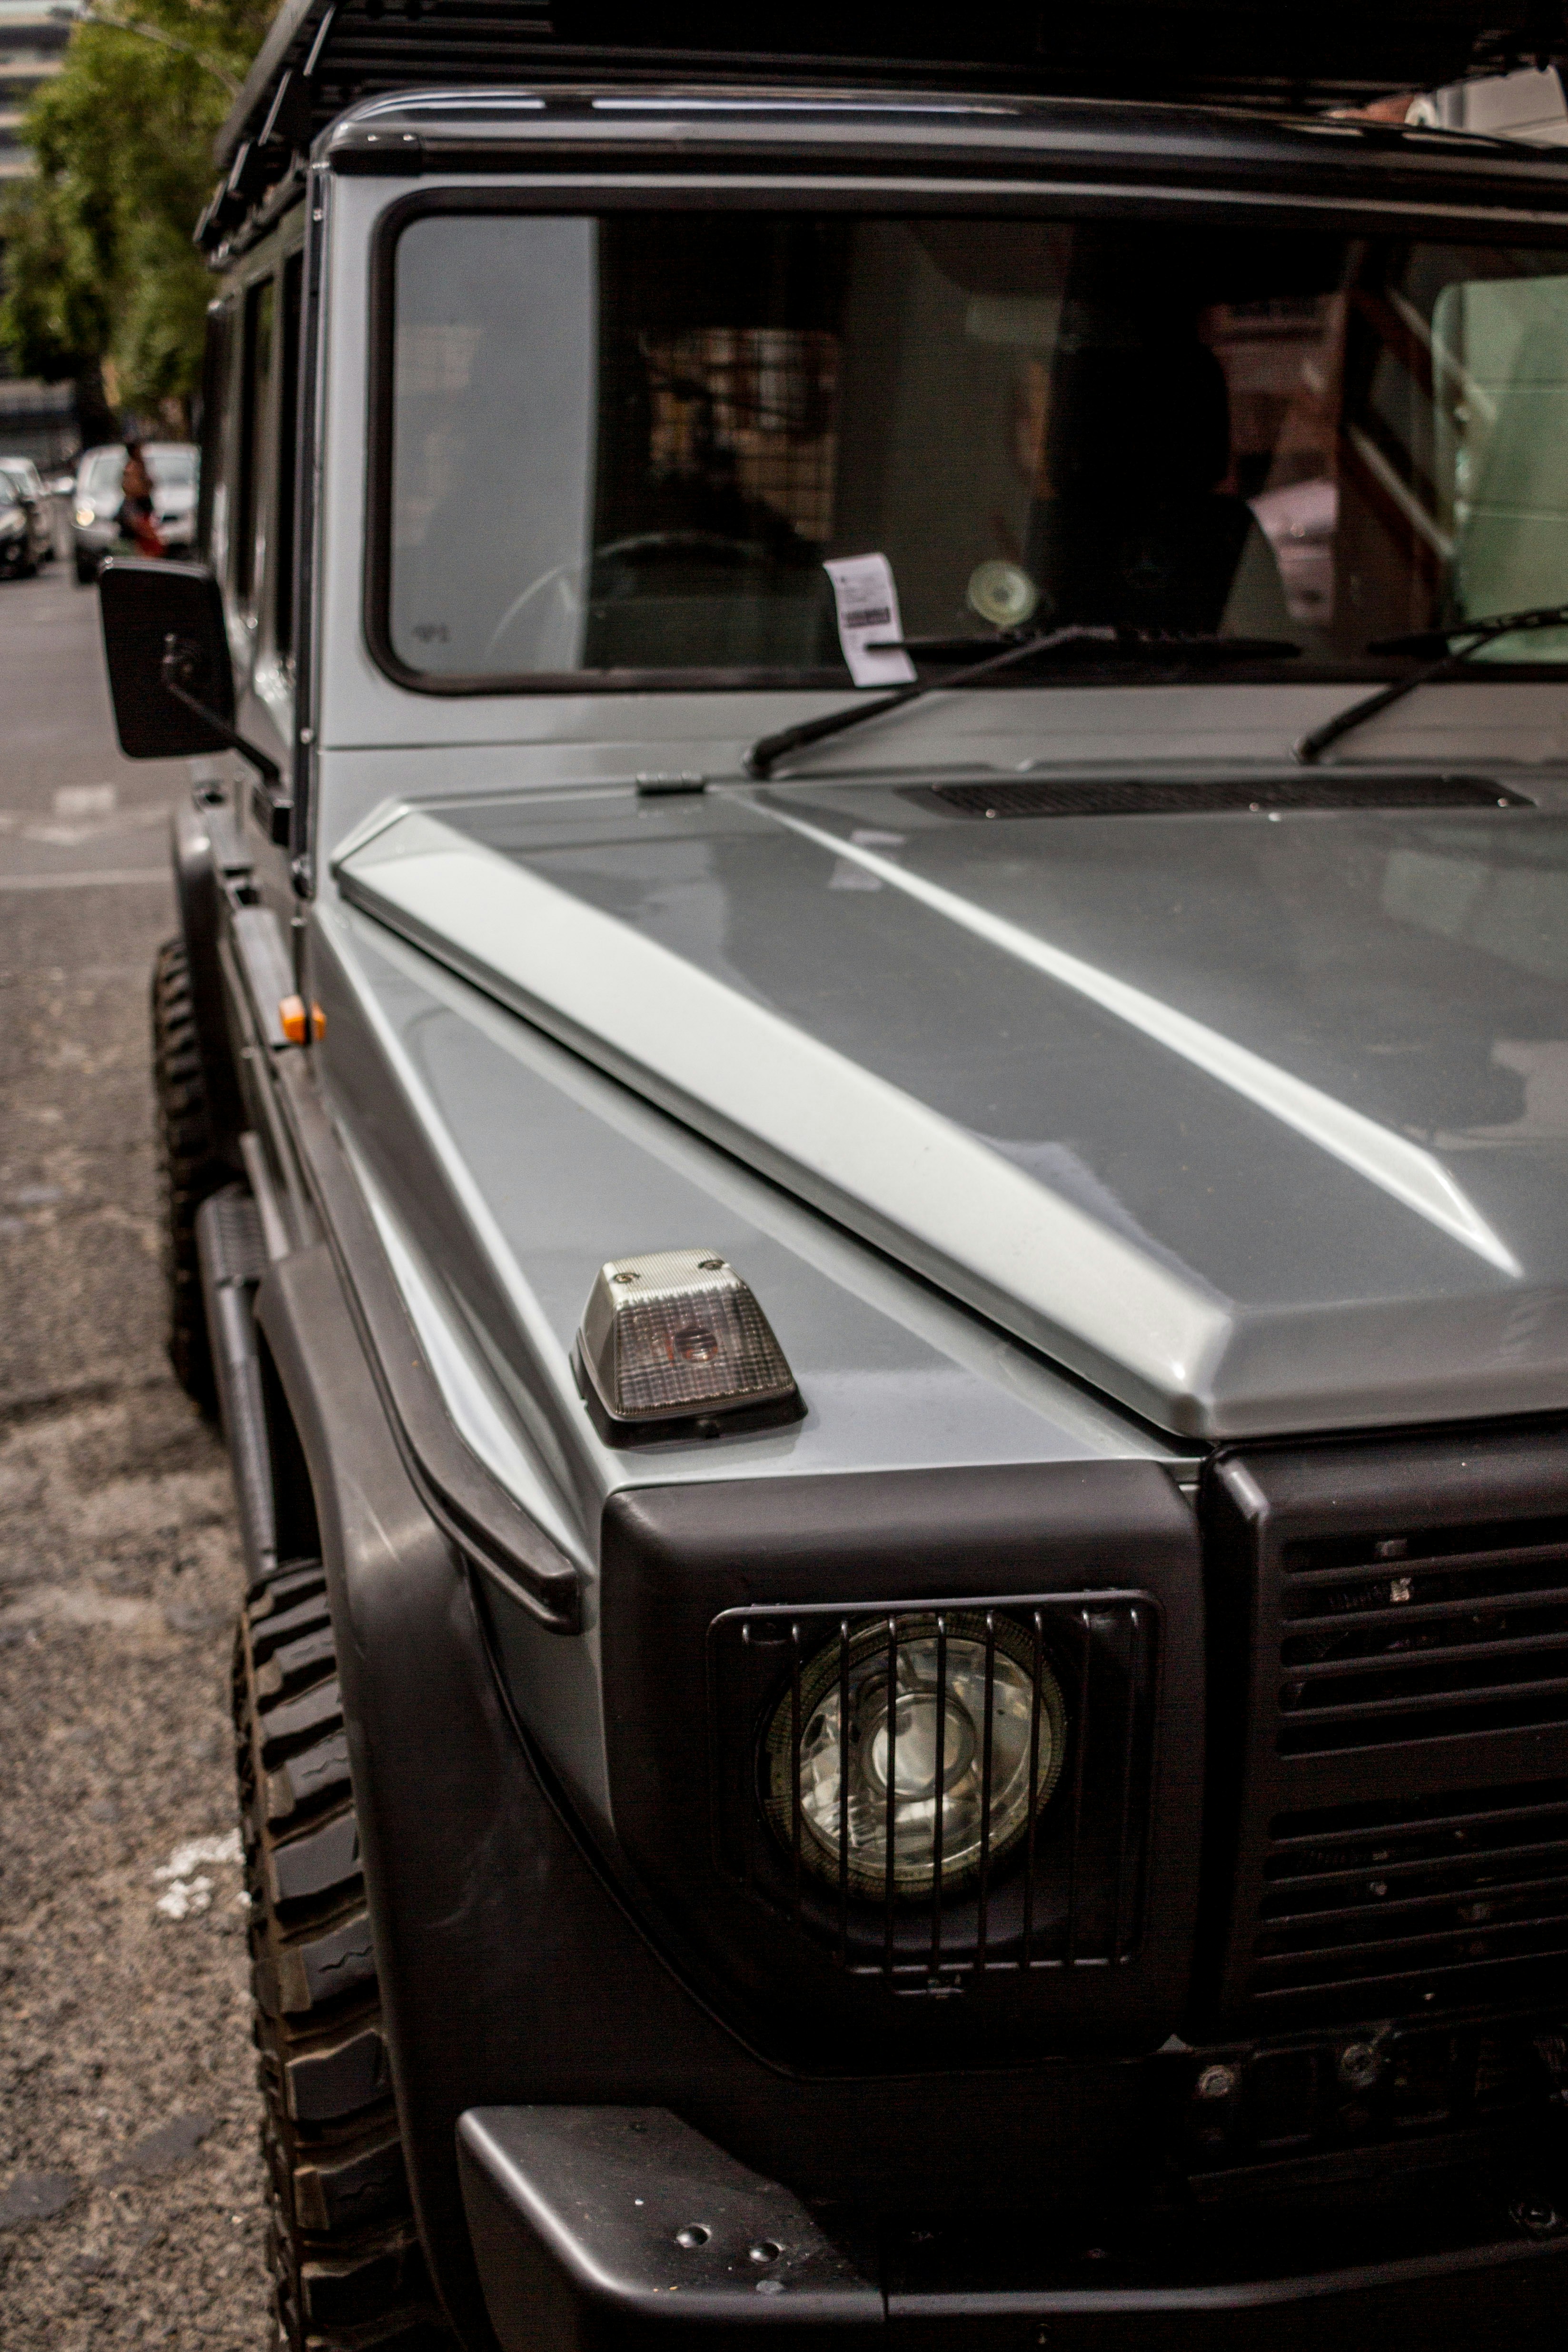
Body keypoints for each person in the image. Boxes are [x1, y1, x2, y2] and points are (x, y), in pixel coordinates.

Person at [118, 441, 164, 558]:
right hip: (137, 507)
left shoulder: (141, 466)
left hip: (143, 506)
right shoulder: (132, 468)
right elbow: (131, 488)